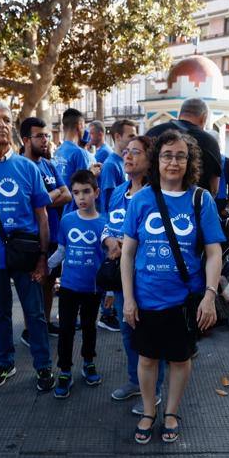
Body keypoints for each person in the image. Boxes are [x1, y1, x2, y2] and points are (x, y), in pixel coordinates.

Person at [121, 129, 224, 444]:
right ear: (157, 160)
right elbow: (127, 253)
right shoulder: (140, 200)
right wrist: (128, 299)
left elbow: (213, 251)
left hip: (184, 301)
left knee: (180, 359)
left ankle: (171, 411)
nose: (174, 162)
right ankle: (149, 411)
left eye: (181, 155)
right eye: (167, 155)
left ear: (189, 160)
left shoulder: (200, 199)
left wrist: (209, 296)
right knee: (148, 359)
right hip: (146, 298)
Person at [0, 100, 55, 392]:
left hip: (26, 256)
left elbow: (42, 217)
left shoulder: (28, 168)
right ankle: (5, 362)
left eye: (6, 120)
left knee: (35, 312)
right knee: (0, 313)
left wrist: (43, 258)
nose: (2, 125)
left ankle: (43, 366)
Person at [104, 135, 165, 412]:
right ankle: (134, 381)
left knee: (151, 336)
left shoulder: (158, 195)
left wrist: (128, 246)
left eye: (136, 152)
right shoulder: (118, 192)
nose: (128, 156)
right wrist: (109, 242)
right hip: (121, 277)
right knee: (128, 333)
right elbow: (107, 225)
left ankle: (155, 391)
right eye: (126, 152)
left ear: (150, 159)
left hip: (150, 277)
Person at [48, 170, 106, 397]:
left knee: (90, 327)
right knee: (66, 329)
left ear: (96, 193)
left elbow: (108, 257)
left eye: (86, 192)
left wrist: (109, 290)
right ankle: (64, 370)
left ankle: (88, 362)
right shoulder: (67, 220)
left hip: (93, 288)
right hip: (69, 286)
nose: (81, 197)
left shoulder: (104, 223)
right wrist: (46, 267)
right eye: (76, 193)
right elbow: (61, 250)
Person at [20, 116, 72, 339]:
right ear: (25, 139)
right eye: (39, 136)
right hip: (32, 238)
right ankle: (29, 329)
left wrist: (43, 198)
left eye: (46, 135)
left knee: (49, 281)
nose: (45, 140)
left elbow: (68, 194)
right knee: (33, 284)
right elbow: (28, 203)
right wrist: (51, 195)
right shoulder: (20, 166)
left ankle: (46, 322)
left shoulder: (48, 164)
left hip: (53, 235)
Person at [97, 119, 138, 332]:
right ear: (117, 137)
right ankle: (107, 313)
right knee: (113, 281)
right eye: (130, 135)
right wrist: (110, 237)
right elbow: (107, 206)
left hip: (127, 243)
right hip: (116, 240)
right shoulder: (112, 165)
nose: (133, 139)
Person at [146, 98, 223, 196]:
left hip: (151, 203)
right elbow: (214, 187)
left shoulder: (153, 133)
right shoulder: (210, 142)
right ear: (204, 118)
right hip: (194, 206)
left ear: (179, 114)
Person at [54, 108, 92, 214]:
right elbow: (85, 185)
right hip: (74, 211)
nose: (84, 129)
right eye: (83, 126)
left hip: (59, 211)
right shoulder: (79, 153)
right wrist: (92, 174)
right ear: (79, 125)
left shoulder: (57, 151)